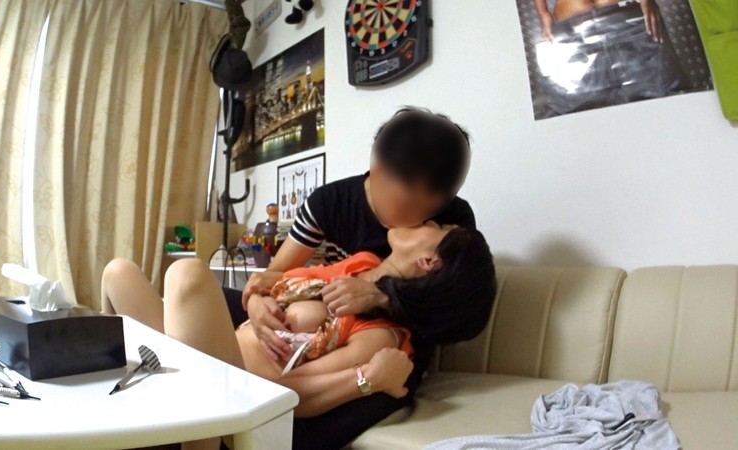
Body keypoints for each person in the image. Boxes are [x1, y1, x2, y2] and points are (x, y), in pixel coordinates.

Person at [231, 108, 497, 449]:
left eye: (432, 211)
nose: (419, 218)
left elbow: (446, 299)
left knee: (320, 420)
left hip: (393, 337)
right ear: (379, 169)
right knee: (201, 292)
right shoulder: (330, 204)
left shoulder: (453, 220)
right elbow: (275, 275)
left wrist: (379, 296)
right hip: (319, 317)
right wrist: (255, 301)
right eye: (409, 204)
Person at [101, 221, 495, 449]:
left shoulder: (381, 333)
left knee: (186, 275)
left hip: (236, 395)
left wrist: (368, 379)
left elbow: (293, 396)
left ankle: (193, 440)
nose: (427, 221)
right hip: (205, 364)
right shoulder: (361, 263)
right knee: (118, 273)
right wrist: (257, 301)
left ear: (429, 262)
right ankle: (111, 402)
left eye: (437, 227)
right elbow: (275, 283)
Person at [531, 0, 693, 117]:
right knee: (571, 113)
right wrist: (543, 13)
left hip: (625, 18)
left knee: (667, 97)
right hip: (574, 30)